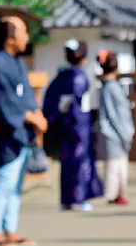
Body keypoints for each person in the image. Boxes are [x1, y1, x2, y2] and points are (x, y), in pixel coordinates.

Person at [0, 15, 47, 246]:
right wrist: (31, 117)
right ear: (10, 37)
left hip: (24, 132)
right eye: (22, 32)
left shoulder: (18, 64)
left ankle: (10, 228)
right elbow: (7, 102)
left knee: (16, 184)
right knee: (5, 181)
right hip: (9, 133)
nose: (26, 37)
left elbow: (27, 97)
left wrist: (37, 114)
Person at [44, 38, 103, 211]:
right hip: (78, 125)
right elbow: (73, 99)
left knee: (68, 161)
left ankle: (67, 199)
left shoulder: (62, 76)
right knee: (79, 161)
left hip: (67, 124)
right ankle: (78, 198)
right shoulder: (78, 76)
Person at [95, 49, 134, 205]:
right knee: (115, 166)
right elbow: (117, 114)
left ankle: (116, 194)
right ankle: (114, 195)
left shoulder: (106, 87)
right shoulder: (112, 87)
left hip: (111, 131)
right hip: (115, 132)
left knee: (115, 166)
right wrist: (126, 132)